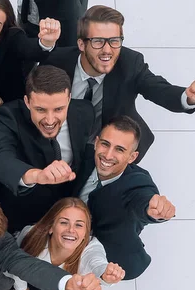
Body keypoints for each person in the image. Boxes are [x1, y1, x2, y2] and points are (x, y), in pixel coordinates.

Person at [43, 5, 195, 160]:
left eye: (114, 41)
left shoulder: (130, 63)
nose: (107, 50)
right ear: (81, 44)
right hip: (64, 143)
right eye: (98, 41)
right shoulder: (58, 61)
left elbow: (159, 90)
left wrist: (190, 98)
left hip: (108, 148)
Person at [0, 65, 93, 231]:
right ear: (27, 102)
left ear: (69, 99)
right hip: (21, 220)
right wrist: (37, 175)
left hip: (69, 222)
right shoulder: (7, 116)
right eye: (40, 110)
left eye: (58, 109)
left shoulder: (85, 112)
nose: (50, 120)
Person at [75, 116, 176, 279]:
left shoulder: (138, 181)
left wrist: (152, 211)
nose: (108, 155)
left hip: (107, 248)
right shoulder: (82, 157)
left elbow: (142, 199)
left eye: (119, 149)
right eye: (105, 144)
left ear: (132, 157)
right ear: (96, 142)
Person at [9, 197, 124, 290]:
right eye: (64, 222)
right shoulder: (31, 235)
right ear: (51, 227)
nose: (71, 230)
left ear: (85, 233)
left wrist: (105, 274)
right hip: (29, 277)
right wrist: (21, 288)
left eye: (79, 225)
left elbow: (97, 263)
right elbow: (16, 263)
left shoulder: (91, 248)